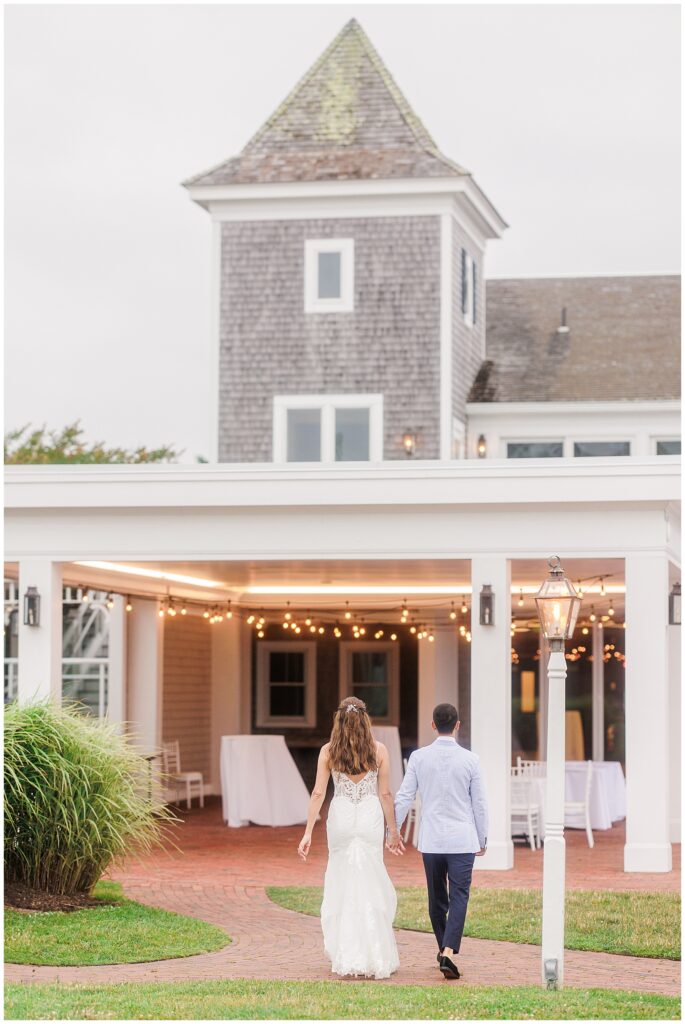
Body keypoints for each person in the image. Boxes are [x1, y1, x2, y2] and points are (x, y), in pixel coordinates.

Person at [297, 696, 402, 979]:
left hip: (342, 816)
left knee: (341, 879)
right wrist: (393, 831)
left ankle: (346, 950)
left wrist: (307, 832)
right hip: (369, 817)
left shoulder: (328, 751)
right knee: (370, 878)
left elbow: (318, 793)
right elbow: (385, 795)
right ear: (365, 719)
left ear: (339, 720)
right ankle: (372, 951)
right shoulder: (378, 750)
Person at [394, 702, 488, 980]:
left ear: (433, 725)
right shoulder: (471, 760)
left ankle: (444, 950)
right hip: (462, 840)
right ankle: (446, 952)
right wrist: (482, 837)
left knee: (437, 899)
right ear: (457, 725)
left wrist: (394, 830)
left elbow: (404, 796)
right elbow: (479, 804)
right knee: (459, 895)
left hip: (432, 841)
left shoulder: (418, 758)